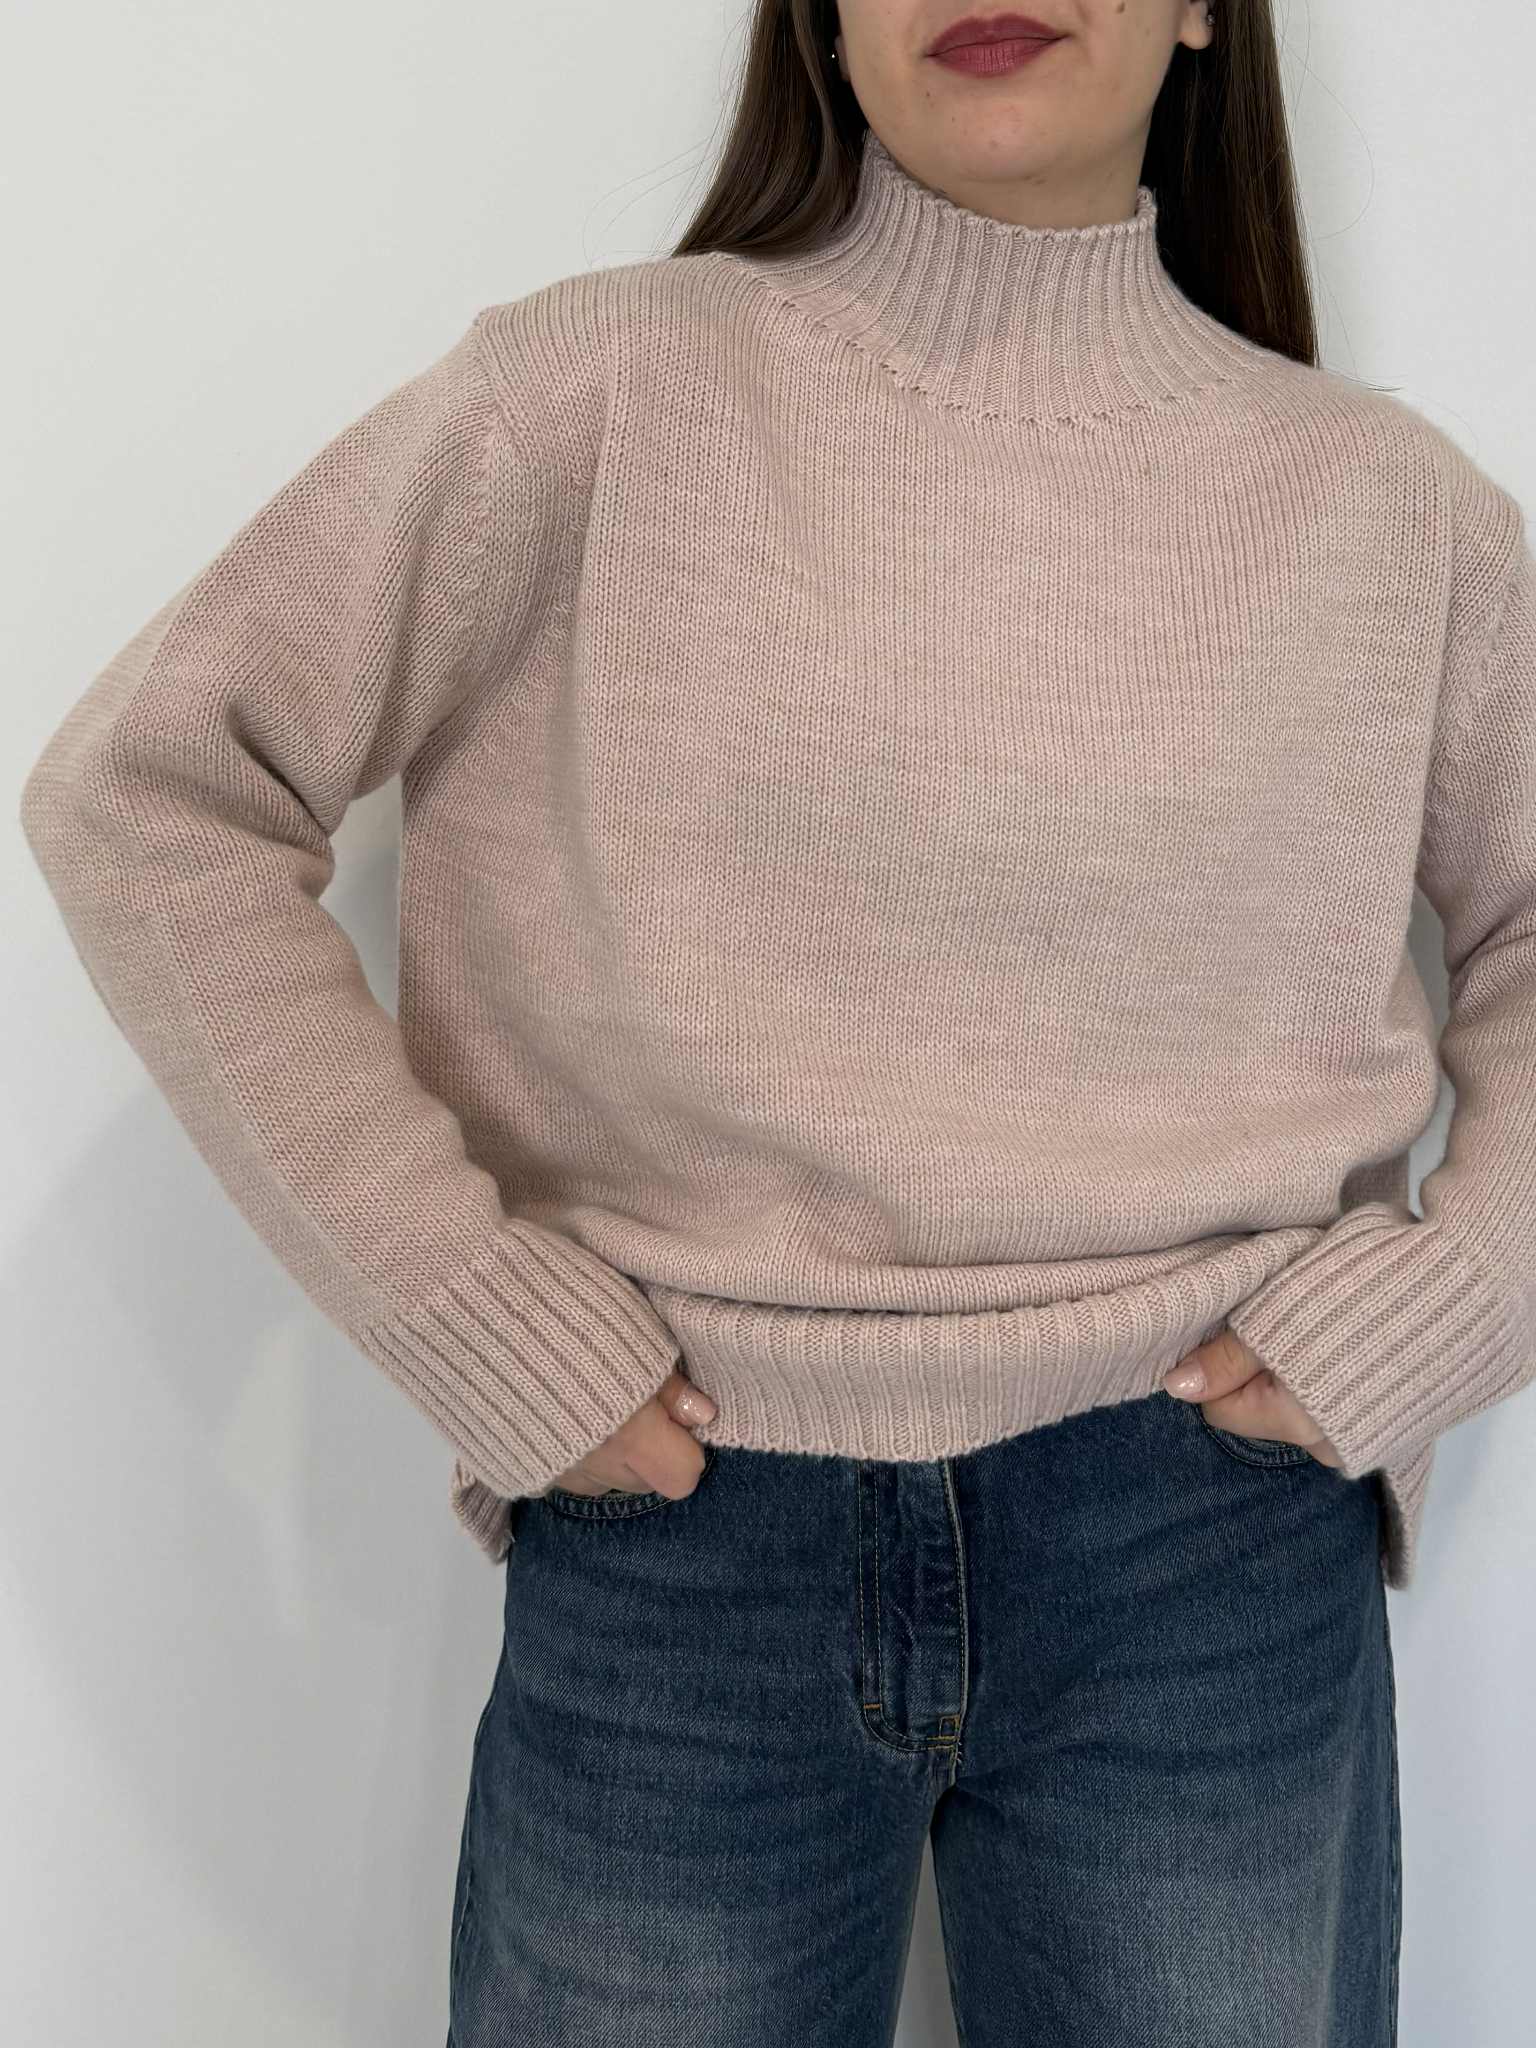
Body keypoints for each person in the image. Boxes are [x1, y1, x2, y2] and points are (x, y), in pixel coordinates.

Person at [18, 0, 1536, 2041]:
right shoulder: (586, 396)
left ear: (1204, 6)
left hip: (1209, 1537)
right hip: (686, 1516)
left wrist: (1456, 1301)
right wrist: (467, 1310)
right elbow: (152, 795)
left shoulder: (1392, 508)